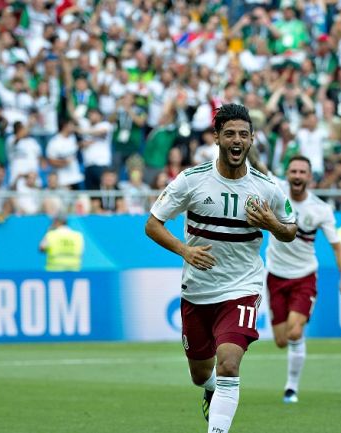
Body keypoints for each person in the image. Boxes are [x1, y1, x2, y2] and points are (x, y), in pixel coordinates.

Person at [145, 104, 297, 433]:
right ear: (217, 138)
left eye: (243, 133)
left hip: (242, 288)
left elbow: (290, 230)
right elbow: (153, 225)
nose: (236, 139)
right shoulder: (191, 180)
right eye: (229, 133)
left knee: (229, 361)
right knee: (201, 373)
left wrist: (271, 222)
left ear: (252, 139)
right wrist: (184, 250)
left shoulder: (266, 187)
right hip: (198, 290)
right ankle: (210, 390)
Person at [265, 155, 341, 403]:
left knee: (294, 332)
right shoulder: (277, 189)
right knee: (282, 340)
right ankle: (293, 354)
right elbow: (259, 165)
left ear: (310, 177)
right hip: (275, 275)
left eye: (303, 172)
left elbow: (338, 247)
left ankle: (291, 387)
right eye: (293, 171)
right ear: (287, 174)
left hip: (304, 277)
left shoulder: (321, 209)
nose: (297, 176)